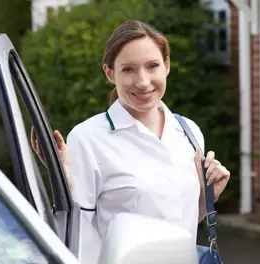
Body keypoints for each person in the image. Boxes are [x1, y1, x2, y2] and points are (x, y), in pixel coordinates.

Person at [31, 20, 230, 248]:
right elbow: (77, 237)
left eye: (152, 66)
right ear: (109, 73)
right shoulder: (88, 138)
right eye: (128, 69)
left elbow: (178, 221)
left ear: (166, 65)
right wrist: (65, 180)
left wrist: (208, 197)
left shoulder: (188, 131)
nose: (143, 82)